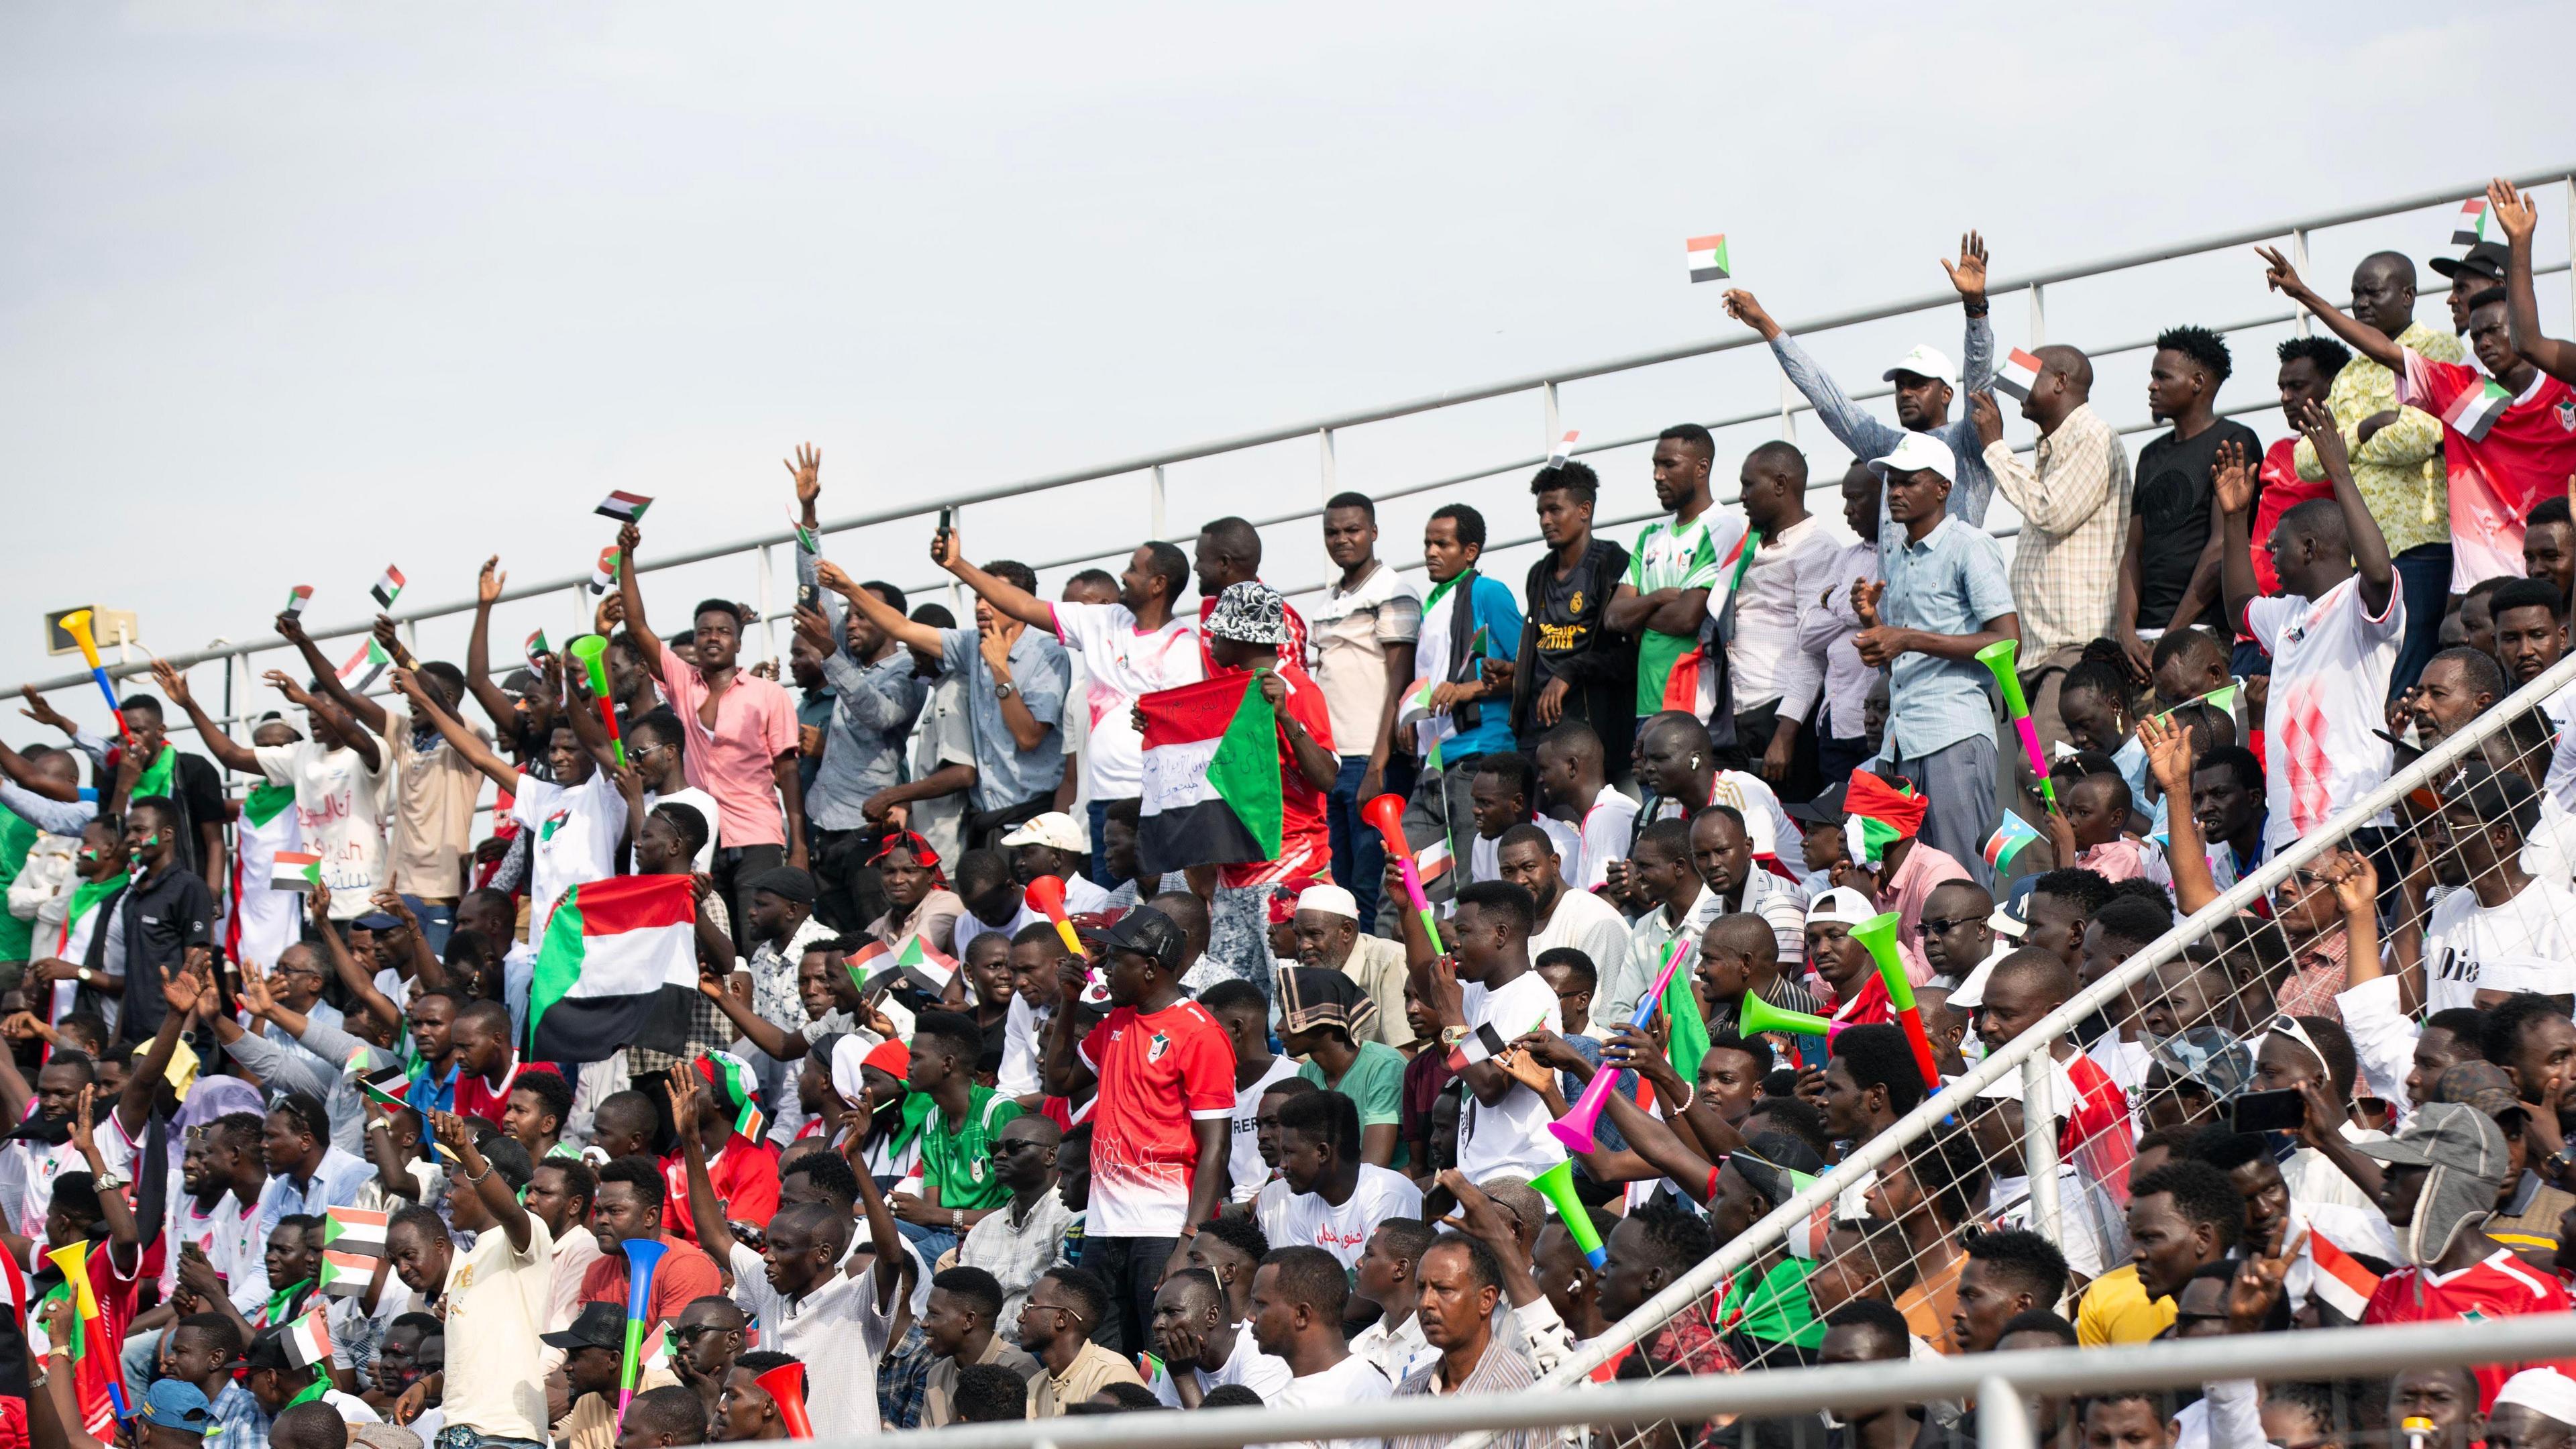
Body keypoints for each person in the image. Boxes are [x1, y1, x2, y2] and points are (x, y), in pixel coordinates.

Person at [2216, 398, 2401, 863]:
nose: (2270, 556)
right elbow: (2239, 608)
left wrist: (2339, 473)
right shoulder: (2287, 613)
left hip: (2355, 820)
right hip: (2290, 832)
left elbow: (2378, 572)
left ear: (2311, 548)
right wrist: (2235, 519)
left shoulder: (2361, 602)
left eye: (2278, 547)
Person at [1041, 905, 1232, 1352]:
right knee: (1104, 1352)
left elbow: (1216, 1148)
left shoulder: (1199, 1033)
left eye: (1114, 960)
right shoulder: (1115, 1023)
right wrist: (1069, 1002)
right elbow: (1059, 1080)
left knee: (1162, 1353)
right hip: (1106, 1224)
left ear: (1149, 968)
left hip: (1164, 1225)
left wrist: (1189, 1241)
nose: (1103, 970)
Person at [614, 521, 809, 941]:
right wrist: (626, 558)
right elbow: (637, 626)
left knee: (756, 941)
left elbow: (788, 772)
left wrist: (799, 846)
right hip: (698, 837)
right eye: (704, 632)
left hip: (757, 835)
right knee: (705, 943)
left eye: (723, 631)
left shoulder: (768, 694)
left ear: (739, 642)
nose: (712, 638)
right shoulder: (683, 684)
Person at [1723, 235, 2000, 527]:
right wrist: (1765, 324)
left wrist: (1975, 307)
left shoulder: (1970, 440)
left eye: (1918, 384)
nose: (1905, 393)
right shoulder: (1891, 447)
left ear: (1946, 394)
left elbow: (1978, 378)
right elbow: (1828, 400)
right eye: (1900, 385)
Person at [1851, 433, 2018, 880]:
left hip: (1954, 733)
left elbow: (2008, 642)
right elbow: (1899, 659)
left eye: (1908, 482)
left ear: (1943, 488)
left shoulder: (1970, 545)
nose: (1895, 492)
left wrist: (1904, 638)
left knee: (1961, 880)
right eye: (1891, 484)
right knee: (1914, 882)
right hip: (1904, 740)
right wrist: (1873, 626)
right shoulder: (1900, 556)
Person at [1970, 345, 2131, 789]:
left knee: (2043, 773)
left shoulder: (2091, 436)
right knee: (2033, 777)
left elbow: (2051, 510)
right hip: (2044, 653)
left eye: (2029, 377)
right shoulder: (2057, 445)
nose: (2017, 391)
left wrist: (1995, 447)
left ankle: (2068, 862)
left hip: (2075, 648)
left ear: (2061, 381)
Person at [2361, 1102, 2576, 1409]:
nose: (2386, 1174)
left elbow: (2548, 1429)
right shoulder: (2391, 1290)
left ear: (2447, 1180)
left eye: (2404, 1165)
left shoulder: (2532, 1297)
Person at [1395, 504, 1524, 912]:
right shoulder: (1433, 603)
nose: (1431, 552)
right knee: (1406, 883)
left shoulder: (1488, 592)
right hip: (1432, 765)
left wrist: (1469, 689)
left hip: (1477, 759)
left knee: (1470, 884)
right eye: (1427, 544)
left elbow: (1531, 669)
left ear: (1470, 551)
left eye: (1442, 543)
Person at [2121, 325, 2265, 669]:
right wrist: (2125, 631)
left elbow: (2222, 545)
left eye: (2162, 376)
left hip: (2201, 633)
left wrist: (2173, 635)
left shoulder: (2234, 440)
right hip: (2142, 644)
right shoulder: (2150, 454)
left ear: (2197, 382)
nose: (2151, 386)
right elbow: (2133, 551)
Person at [1314, 490, 1424, 928]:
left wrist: (1378, 765)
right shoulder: (1328, 600)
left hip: (1370, 759)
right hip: (1332, 760)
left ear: (1373, 532)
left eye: (1352, 530)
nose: (1342, 539)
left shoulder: (1394, 589)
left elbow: (1399, 679)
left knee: (1369, 883)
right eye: (1332, 532)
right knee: (1338, 886)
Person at [1417, 880, 1564, 1184]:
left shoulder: (1531, 997)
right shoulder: (1481, 992)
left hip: (1521, 1173)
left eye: (1464, 932)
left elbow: (1491, 1088)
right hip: (1481, 1172)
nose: (1454, 943)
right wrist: (1406, 908)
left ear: (1500, 935)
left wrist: (1451, 1019)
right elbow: (1427, 987)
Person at [1509, 462, 1633, 782]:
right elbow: (1542, 648)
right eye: (1540, 512)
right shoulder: (1538, 573)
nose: (1545, 520)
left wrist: (1570, 671)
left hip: (1586, 733)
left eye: (1554, 510)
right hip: (1535, 736)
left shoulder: (1612, 563)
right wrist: (1513, 672)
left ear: (1584, 509)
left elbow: (1626, 656)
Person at [2418, 766, 2576, 1014]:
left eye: (2451, 827)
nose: (2437, 840)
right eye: (2438, 826)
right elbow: (2409, 1005)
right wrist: (2413, 889)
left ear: (2499, 835)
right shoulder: (2449, 906)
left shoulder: (2562, 917)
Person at [1728, 441, 1837, 802]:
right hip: (1738, 715)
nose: (1742, 496)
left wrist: (1786, 733)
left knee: (1798, 840)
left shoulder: (1816, 548)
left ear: (1779, 484)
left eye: (1748, 485)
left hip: (1782, 715)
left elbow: (1815, 648)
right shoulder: (1747, 546)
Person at [1388, 1236, 1540, 1449]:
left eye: (1444, 1289)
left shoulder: (1526, 1393)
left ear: (1486, 1300)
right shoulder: (1407, 1394)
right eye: (1421, 1288)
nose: (1426, 1302)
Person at [1797, 463, 1886, 790]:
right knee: (1835, 821)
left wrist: (1830, 599)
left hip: (1876, 723)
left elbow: (1885, 614)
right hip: (1835, 723)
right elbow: (1807, 633)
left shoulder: (1897, 554)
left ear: (1885, 496)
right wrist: (1854, 608)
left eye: (1855, 498)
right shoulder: (1845, 558)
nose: (1846, 510)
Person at [1260, 1089, 1421, 1269]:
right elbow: (1305, 1282)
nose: (1282, 1165)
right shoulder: (1303, 1202)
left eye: (1289, 1153)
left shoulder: (1385, 1195)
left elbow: (1380, 1287)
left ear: (1322, 1153)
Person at [1249, 1246, 1393, 1444]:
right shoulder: (1286, 1392)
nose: (1251, 1316)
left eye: (1261, 1304)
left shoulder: (1361, 1391)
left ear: (1302, 1315)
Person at [1277, 968, 1405, 1167]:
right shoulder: (1307, 1073)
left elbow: (1374, 1167)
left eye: (1288, 1015)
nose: (1278, 1026)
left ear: (1320, 1020)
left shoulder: (1383, 1066)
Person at [1486, 824, 1627, 1000]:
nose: (1519, 880)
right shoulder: (1508, 928)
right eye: (1508, 872)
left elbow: (1603, 1014)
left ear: (1554, 864)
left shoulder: (1595, 920)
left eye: (1529, 867)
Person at [956, 1114, 1071, 1325]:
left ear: (1051, 1155)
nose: (999, 1156)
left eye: (1013, 1147)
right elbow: (961, 1300)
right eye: (995, 1148)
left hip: (1036, 1348)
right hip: (982, 1346)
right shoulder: (983, 1229)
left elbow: (1058, 1302)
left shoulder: (1069, 1218)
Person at [1286, 884, 1410, 1052]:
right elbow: (1303, 1063)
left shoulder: (1390, 961)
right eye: (1298, 936)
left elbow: (1403, 1059)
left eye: (1314, 934)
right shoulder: (1304, 976)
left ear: (1346, 931)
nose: (1303, 945)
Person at [1144, 1267, 1291, 1408]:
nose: (1157, 1325)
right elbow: (1166, 1431)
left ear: (1212, 1316)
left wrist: (1184, 1377)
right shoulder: (1179, 1361)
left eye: (1172, 1312)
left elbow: (1230, 1434)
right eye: (1155, 1315)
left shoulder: (1260, 1355)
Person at [920, 1266, 1042, 1427]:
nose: (924, 1323)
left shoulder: (1019, 1368)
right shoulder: (937, 1374)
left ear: (969, 1320)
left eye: (934, 1314)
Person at [1019, 1267, 1146, 1416]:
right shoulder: (1034, 1385)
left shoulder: (1112, 1374)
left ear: (1061, 1318)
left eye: (1030, 1307)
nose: (1021, 1317)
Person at [1532, 722, 1636, 893]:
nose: (1540, 779)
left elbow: (1607, 903)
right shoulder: (1598, 814)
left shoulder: (1605, 816)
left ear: (1572, 767)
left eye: (1544, 769)